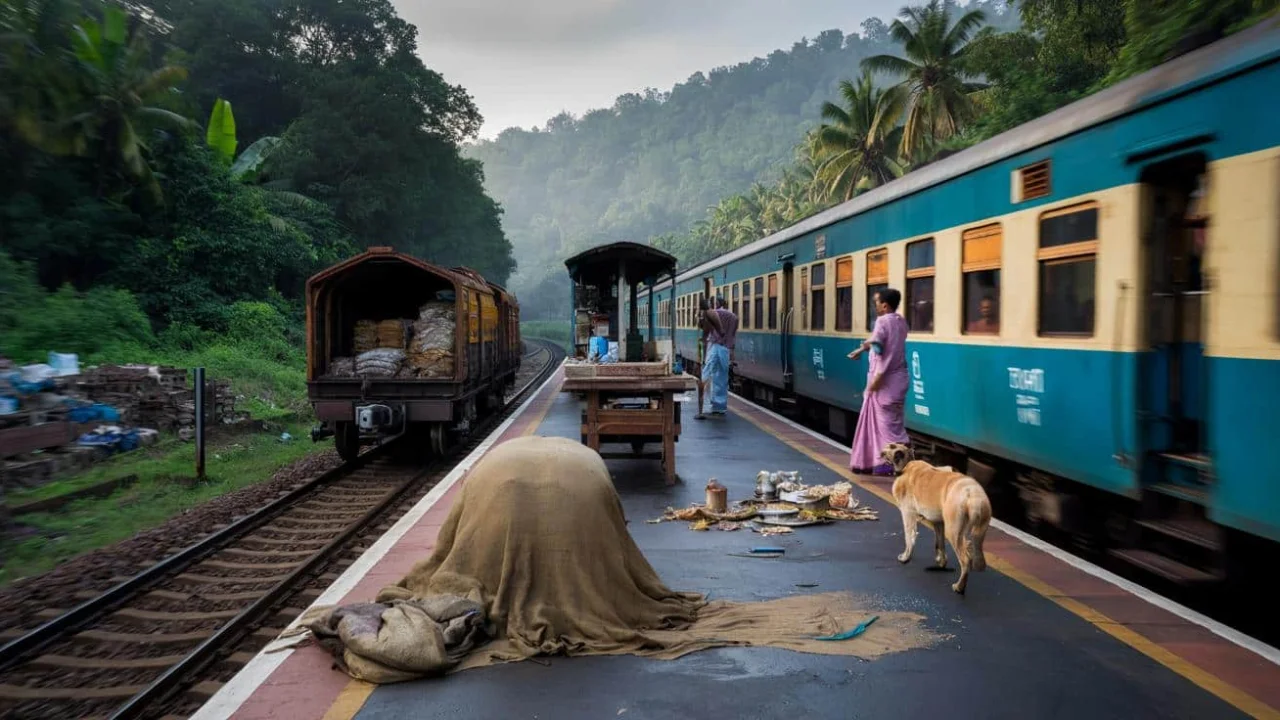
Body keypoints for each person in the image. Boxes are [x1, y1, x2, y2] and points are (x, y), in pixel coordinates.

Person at [847, 287, 910, 475]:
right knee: (894, 425)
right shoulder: (900, 321)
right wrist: (862, 349)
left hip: (884, 383)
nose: (875, 306)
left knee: (884, 429)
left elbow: (881, 349)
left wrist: (876, 381)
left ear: (884, 305)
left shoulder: (882, 321)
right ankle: (885, 464)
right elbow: (881, 341)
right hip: (899, 382)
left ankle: (887, 466)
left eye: (876, 303)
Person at [695, 296, 726, 420]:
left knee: (705, 378)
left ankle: (704, 409)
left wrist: (701, 358)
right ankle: (711, 407)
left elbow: (708, 333)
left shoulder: (709, 314)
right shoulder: (711, 314)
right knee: (713, 378)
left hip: (712, 349)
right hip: (714, 348)